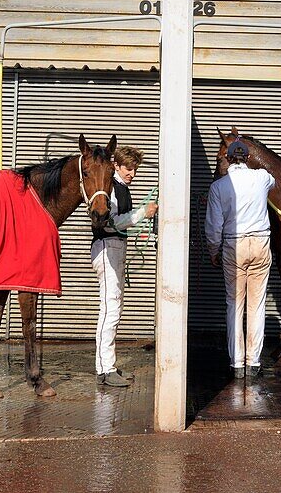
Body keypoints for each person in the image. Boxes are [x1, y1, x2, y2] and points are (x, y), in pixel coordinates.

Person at [205, 137, 276, 380]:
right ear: (247, 158)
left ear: (227, 159)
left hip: (234, 245)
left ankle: (236, 364)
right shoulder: (262, 178)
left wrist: (213, 251)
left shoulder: (218, 187)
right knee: (257, 304)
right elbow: (273, 180)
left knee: (234, 305)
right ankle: (253, 363)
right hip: (260, 243)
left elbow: (214, 225)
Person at [91, 146, 157, 387]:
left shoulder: (122, 188)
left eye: (135, 169)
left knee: (114, 307)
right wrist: (142, 213)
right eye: (128, 168)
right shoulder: (112, 189)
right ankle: (104, 369)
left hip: (115, 247)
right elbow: (110, 224)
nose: (133, 173)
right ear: (117, 166)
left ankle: (108, 365)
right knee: (109, 308)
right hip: (107, 246)